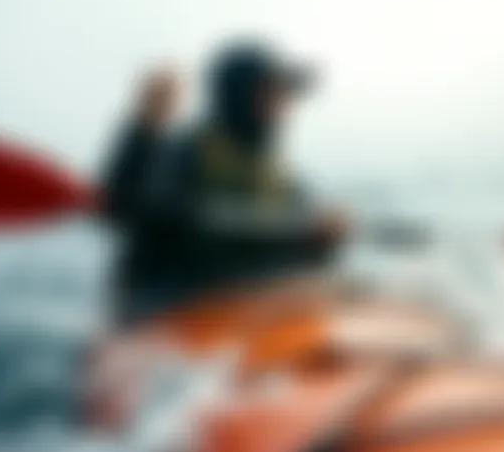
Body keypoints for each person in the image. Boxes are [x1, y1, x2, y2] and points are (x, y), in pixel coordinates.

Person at [100, 41, 347, 325]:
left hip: (247, 315)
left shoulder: (282, 179)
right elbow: (125, 208)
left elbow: (294, 255)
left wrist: (321, 243)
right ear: (238, 95)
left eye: (285, 93)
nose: (284, 103)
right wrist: (143, 129)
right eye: (271, 91)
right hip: (166, 314)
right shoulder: (183, 154)